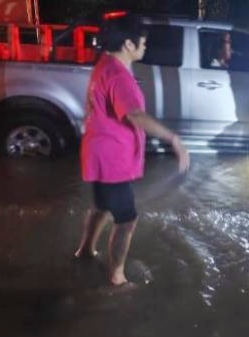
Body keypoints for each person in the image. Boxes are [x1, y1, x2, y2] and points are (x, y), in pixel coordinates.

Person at [74, 16, 190, 286]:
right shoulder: (118, 75)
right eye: (143, 42)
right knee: (127, 220)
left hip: (99, 153)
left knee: (102, 206)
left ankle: (84, 250)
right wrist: (173, 139)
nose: (145, 47)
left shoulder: (105, 64)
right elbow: (135, 115)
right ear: (128, 44)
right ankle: (117, 278)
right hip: (112, 159)